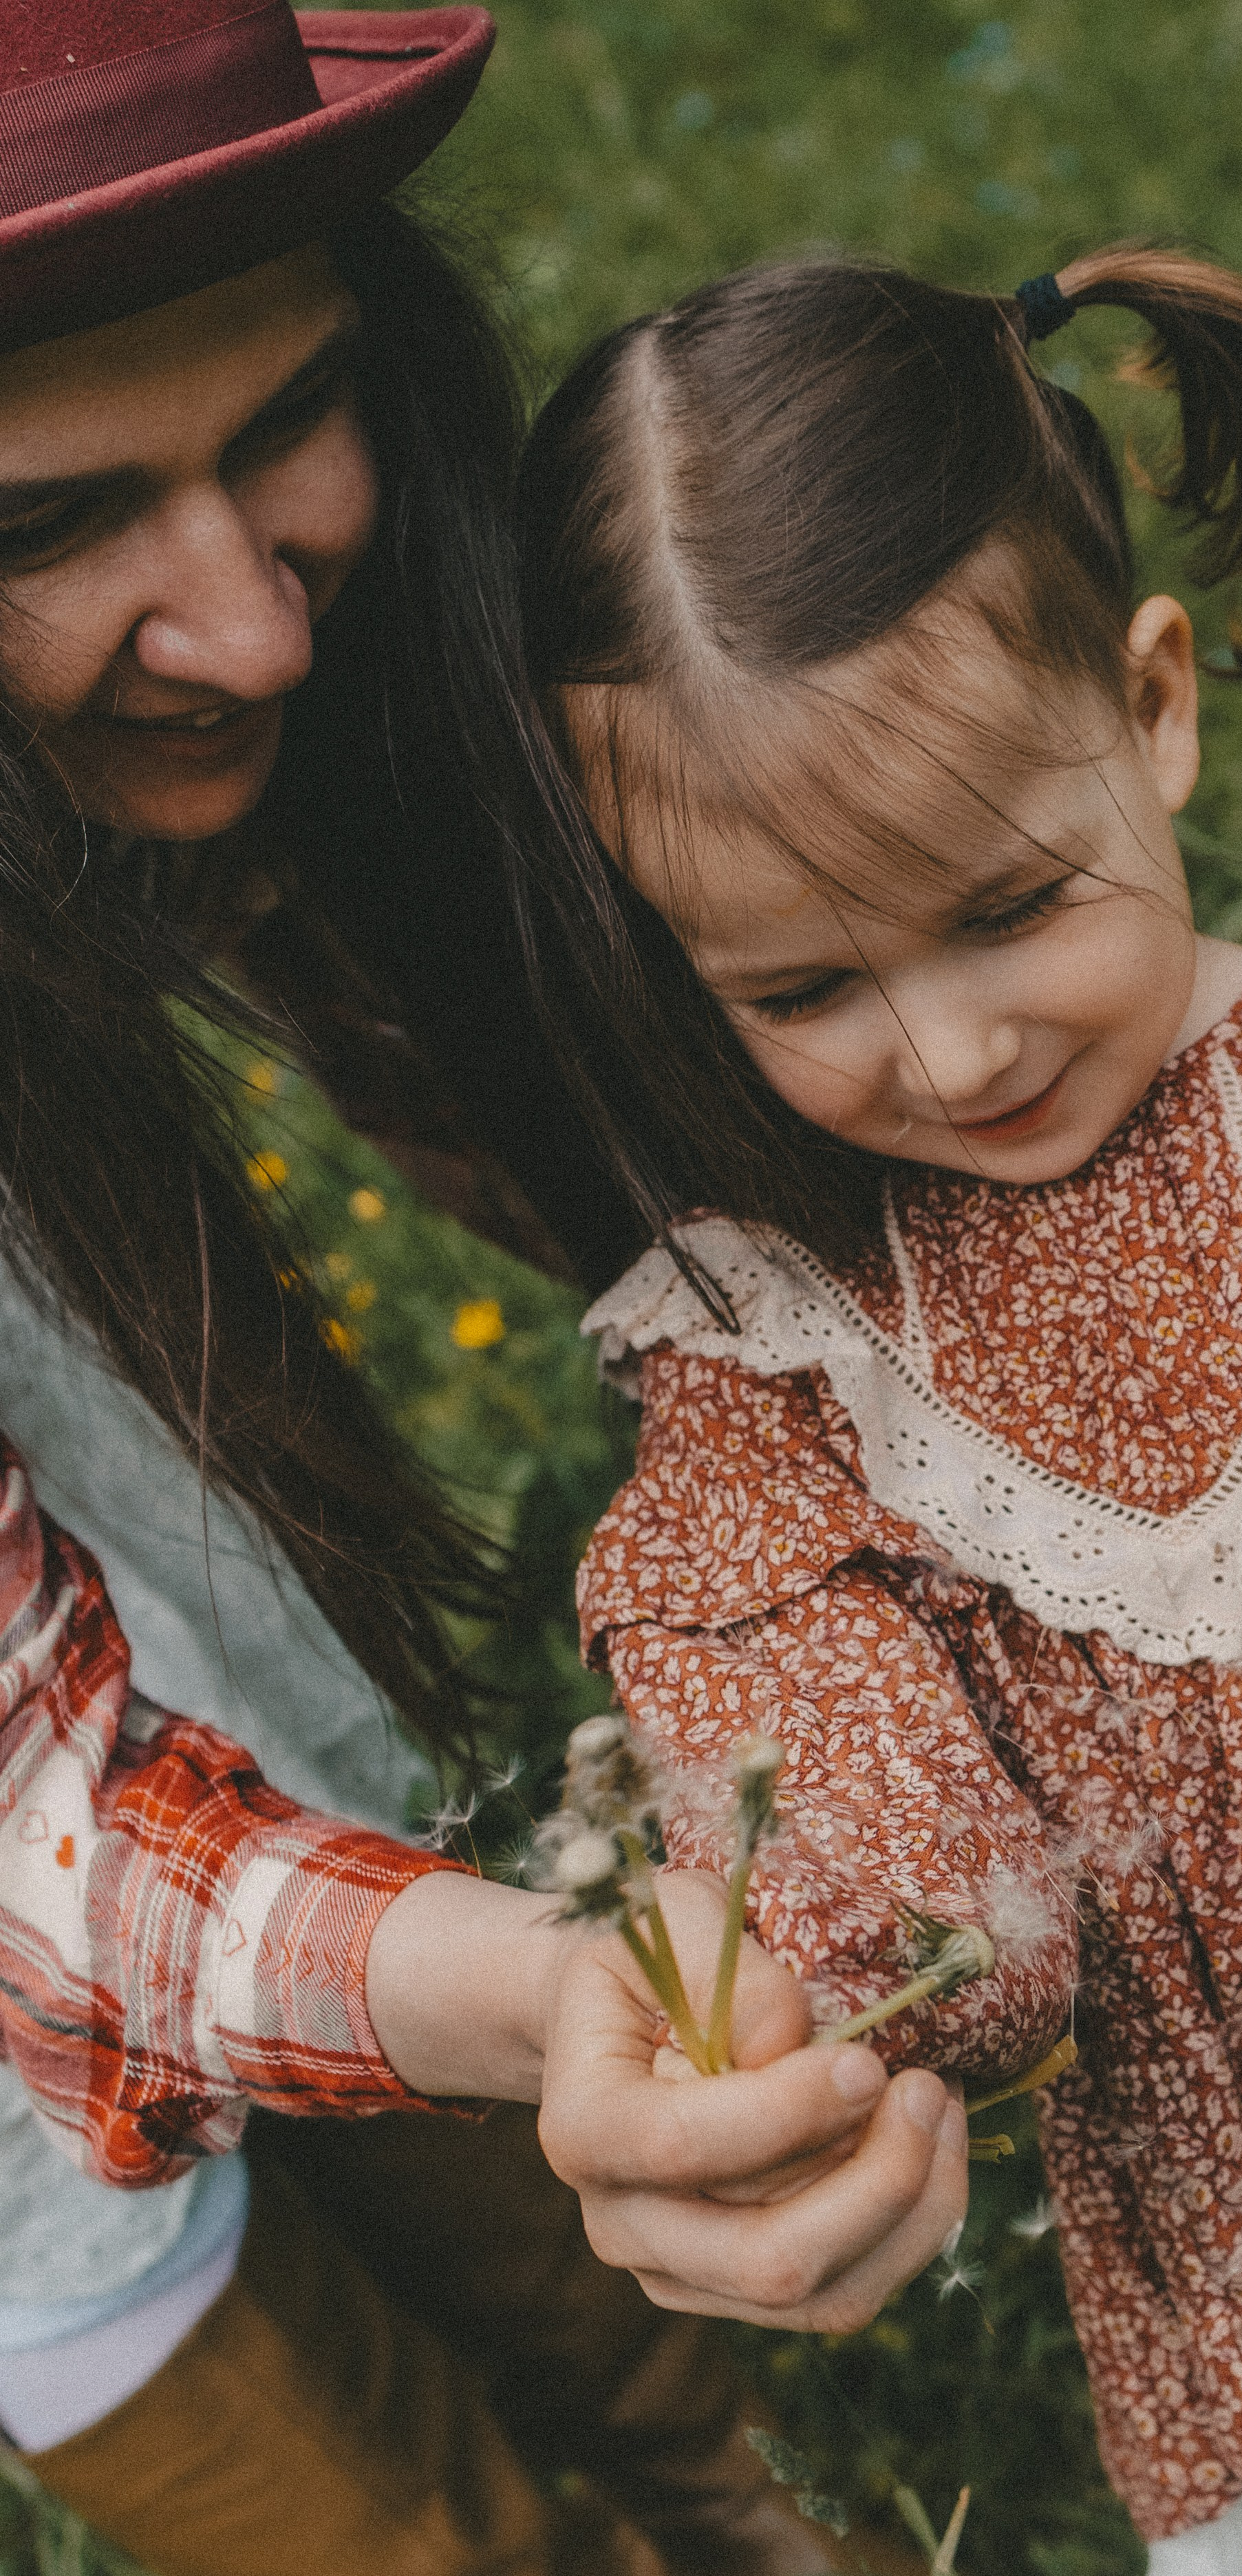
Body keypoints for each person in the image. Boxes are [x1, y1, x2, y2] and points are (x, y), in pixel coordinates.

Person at [510, 243, 1242, 2574]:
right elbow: (856, 1804)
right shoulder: (781, 1353)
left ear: (1151, 706)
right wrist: (798, 1985)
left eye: (1009, 905)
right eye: (798, 984)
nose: (951, 1050)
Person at [0, 11, 961, 2571]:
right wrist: (551, 1997)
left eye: (286, 419)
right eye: (52, 524)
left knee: (683, 2405)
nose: (253, 628)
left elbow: (544, 1096)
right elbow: (35, 1849)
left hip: (153, 1692)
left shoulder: (242, 683)